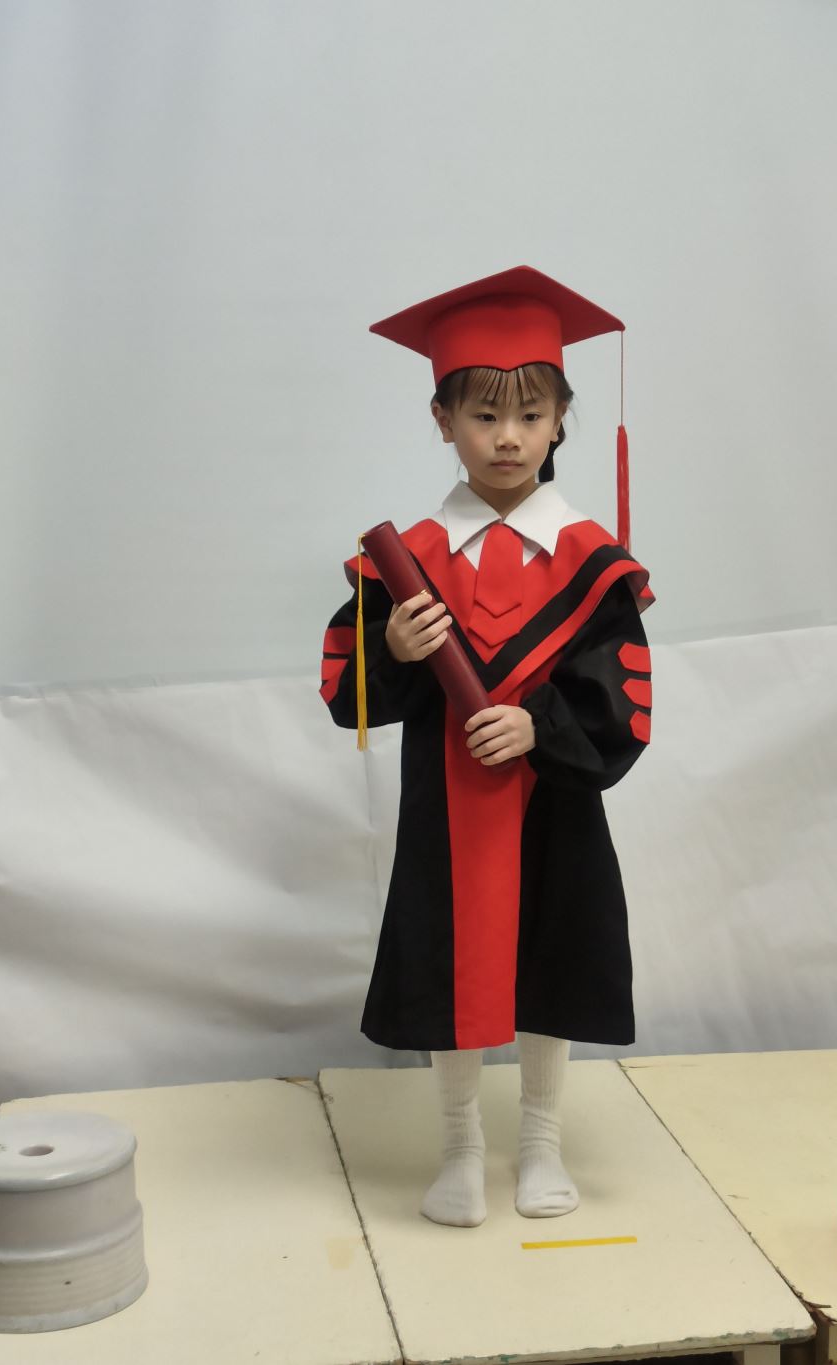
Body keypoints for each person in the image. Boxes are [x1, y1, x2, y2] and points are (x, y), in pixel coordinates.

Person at [320, 265, 655, 1227]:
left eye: (530, 414)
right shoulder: (406, 561)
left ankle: (540, 1138)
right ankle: (462, 1144)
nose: (508, 436)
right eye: (483, 415)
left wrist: (540, 727)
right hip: (448, 806)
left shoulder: (592, 561)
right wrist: (393, 647)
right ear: (442, 421)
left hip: (555, 803)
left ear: (561, 421)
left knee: (553, 955)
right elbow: (345, 691)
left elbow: (624, 704)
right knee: (450, 961)